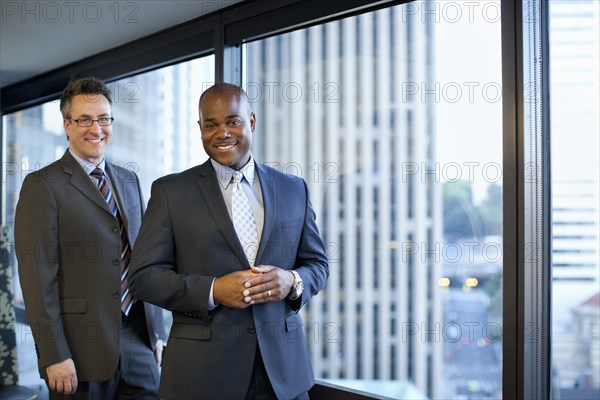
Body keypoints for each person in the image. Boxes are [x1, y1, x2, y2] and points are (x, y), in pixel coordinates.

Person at [128, 82, 329, 400]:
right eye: (211, 124)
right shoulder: (171, 193)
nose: (222, 133)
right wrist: (213, 290)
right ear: (200, 129)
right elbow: (143, 278)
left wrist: (292, 280)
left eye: (232, 121)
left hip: (282, 377)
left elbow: (318, 265)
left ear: (251, 121)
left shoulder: (294, 189)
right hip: (203, 378)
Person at [15, 77, 165, 399]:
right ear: (67, 125)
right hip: (79, 350)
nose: (96, 128)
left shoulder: (128, 179)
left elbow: (142, 258)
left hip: (138, 339)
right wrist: (53, 354)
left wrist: (157, 334)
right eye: (85, 119)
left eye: (104, 118)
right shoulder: (43, 185)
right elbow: (37, 279)